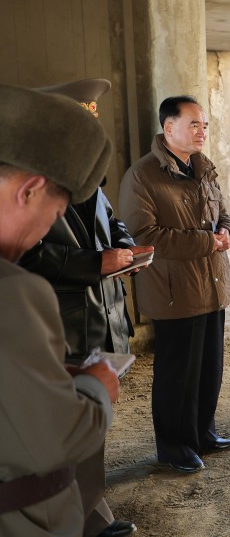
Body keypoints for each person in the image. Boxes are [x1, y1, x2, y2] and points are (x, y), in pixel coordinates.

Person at [18, 79, 145, 537]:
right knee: (67, 425)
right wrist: (95, 263)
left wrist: (127, 249)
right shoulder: (29, 178)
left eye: (92, 116)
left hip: (103, 316)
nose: (91, 126)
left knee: (92, 423)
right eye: (81, 117)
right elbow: (26, 253)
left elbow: (113, 222)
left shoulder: (89, 178)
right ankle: (86, 519)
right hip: (65, 322)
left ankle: (93, 511)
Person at [0, 83, 120, 536]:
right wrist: (95, 387)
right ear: (29, 191)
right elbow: (55, 439)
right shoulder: (12, 292)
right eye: (52, 217)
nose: (42, 232)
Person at [119, 95, 230, 473]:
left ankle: (203, 433)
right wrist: (209, 241)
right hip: (174, 291)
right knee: (177, 374)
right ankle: (174, 446)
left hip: (212, 284)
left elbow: (226, 215)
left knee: (208, 368)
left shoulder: (203, 168)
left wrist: (228, 233)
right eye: (194, 124)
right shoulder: (143, 175)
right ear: (169, 128)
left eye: (204, 125)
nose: (202, 131)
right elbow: (144, 234)